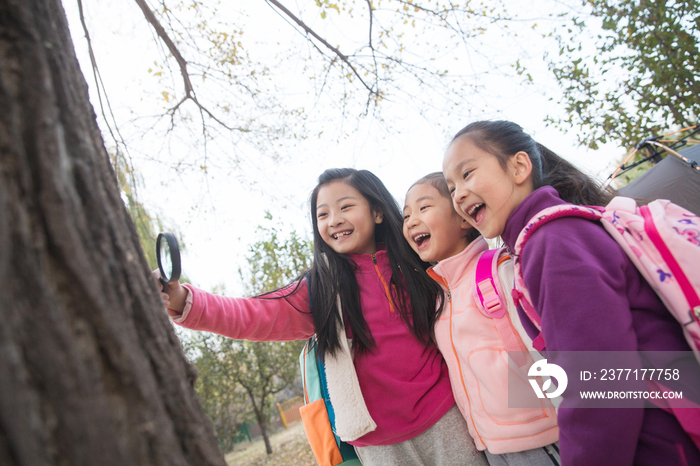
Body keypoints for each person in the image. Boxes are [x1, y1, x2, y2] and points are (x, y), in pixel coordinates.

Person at [158, 168, 488, 466]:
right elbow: (254, 314)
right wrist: (184, 301)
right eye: (323, 214)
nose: (334, 220)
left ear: (376, 211)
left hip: (447, 417)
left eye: (346, 207)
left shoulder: (419, 264)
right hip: (378, 444)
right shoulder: (319, 290)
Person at [442, 120, 700, 466]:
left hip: (661, 444)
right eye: (451, 186)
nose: (457, 194)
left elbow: (603, 389)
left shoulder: (553, 242)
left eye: (468, 173)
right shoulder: (551, 235)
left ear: (519, 167)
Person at [403, 173, 560, 466]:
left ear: (464, 219)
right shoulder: (440, 297)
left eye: (423, 208)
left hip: (542, 438)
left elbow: (548, 347)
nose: (411, 221)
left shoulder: (498, 270)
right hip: (492, 446)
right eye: (406, 214)